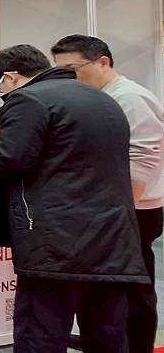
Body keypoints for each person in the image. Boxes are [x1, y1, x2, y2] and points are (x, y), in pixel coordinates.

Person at [0, 44, 149, 352]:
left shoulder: (28, 100)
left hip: (54, 242)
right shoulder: (104, 100)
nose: (0, 91)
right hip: (112, 237)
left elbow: (10, 160)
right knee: (107, 335)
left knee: (41, 335)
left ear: (11, 77)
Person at [52, 34, 164, 353]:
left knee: (133, 289)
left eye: (74, 69)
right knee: (108, 288)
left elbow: (143, 156)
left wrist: (122, 206)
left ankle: (136, 345)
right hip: (112, 207)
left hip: (133, 209)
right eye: (61, 71)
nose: (69, 78)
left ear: (103, 62)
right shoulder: (101, 97)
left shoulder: (130, 98)